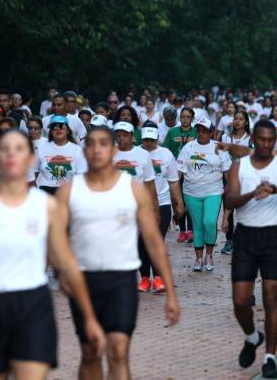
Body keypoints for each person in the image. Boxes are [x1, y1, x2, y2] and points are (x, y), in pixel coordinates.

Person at [0, 129, 106, 380]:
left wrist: (89, 316)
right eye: (4, 149)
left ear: (32, 159)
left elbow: (66, 262)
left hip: (32, 307)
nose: (11, 154)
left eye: (19, 148)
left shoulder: (46, 206)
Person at [60, 125, 180, 380]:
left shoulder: (133, 189)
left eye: (103, 143)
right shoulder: (70, 191)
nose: (97, 150)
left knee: (118, 350)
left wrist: (170, 291)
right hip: (83, 280)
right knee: (91, 352)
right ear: (84, 150)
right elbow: (55, 237)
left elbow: (154, 241)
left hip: (121, 279)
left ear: (114, 149)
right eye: (91, 144)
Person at [224, 120, 277, 378]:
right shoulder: (240, 166)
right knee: (240, 301)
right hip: (246, 236)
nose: (266, 144)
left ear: (276, 141)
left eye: (271, 140)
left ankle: (270, 359)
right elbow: (229, 199)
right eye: (261, 139)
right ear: (254, 139)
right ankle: (252, 337)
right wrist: (252, 194)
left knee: (272, 299)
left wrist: (274, 189)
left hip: (274, 236)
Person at [177, 118, 232, 272]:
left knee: (209, 222)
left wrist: (231, 190)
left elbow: (227, 173)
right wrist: (176, 197)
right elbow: (179, 173)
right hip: (191, 192)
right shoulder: (188, 148)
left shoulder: (219, 148)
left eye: (204, 130)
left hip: (213, 191)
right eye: (198, 130)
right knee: (197, 225)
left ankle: (209, 254)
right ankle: (199, 258)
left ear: (211, 132)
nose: (201, 133)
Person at [139, 124, 183, 293]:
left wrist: (179, 203)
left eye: (152, 139)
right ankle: (144, 278)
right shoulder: (136, 153)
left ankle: (157, 278)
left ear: (157, 138)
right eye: (146, 140)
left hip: (162, 204)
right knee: (142, 242)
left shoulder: (166, 154)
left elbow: (173, 181)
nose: (149, 143)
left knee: (156, 240)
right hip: (140, 205)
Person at [218, 110, 252, 255]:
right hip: (227, 177)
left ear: (246, 122)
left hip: (246, 179)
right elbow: (221, 156)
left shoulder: (251, 139)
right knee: (228, 208)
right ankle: (229, 240)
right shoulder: (225, 137)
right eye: (235, 119)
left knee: (244, 210)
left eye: (240, 119)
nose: (237, 121)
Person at [163, 106, 197, 243]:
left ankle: (191, 231)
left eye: (188, 117)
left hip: (192, 171)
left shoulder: (196, 132)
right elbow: (165, 151)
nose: (185, 119)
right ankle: (182, 231)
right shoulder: (172, 132)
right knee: (179, 201)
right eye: (183, 117)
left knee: (190, 201)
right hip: (175, 172)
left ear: (192, 118)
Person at [35, 115, 87, 194]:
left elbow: (82, 177)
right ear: (50, 131)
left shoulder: (77, 150)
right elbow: (33, 173)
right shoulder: (41, 148)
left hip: (68, 192)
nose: (58, 129)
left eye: (61, 126)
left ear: (68, 130)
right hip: (45, 192)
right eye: (54, 127)